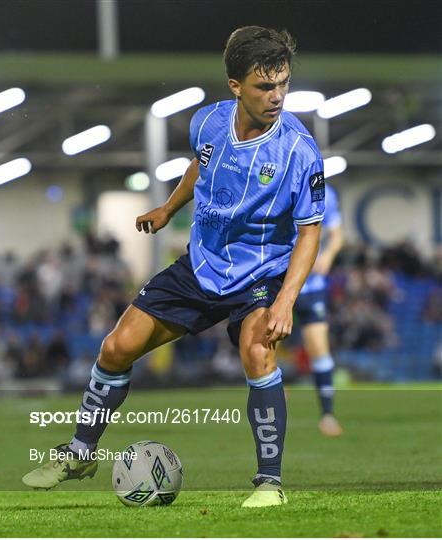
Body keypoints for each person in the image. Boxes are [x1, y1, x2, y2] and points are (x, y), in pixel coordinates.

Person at [22, 26, 325, 508]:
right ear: (235, 87)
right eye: (265, 86)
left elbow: (310, 229)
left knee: (257, 351)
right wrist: (167, 208)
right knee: (117, 346)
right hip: (201, 265)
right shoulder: (207, 122)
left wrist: (286, 300)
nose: (278, 96)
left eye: (283, 83)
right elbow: (201, 165)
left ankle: (270, 483)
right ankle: (80, 452)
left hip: (260, 276)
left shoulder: (298, 151)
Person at [294, 183, 344, 436]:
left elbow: (337, 233)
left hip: (311, 286)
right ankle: (268, 415)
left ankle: (327, 415)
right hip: (275, 283)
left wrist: (328, 256)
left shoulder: (325, 192)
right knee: (260, 349)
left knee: (319, 349)